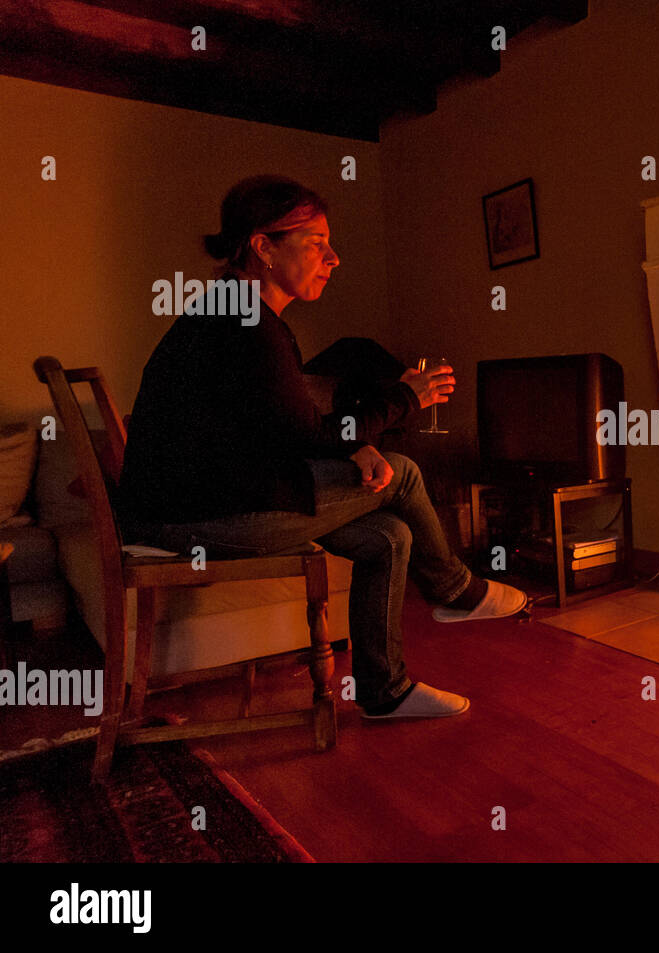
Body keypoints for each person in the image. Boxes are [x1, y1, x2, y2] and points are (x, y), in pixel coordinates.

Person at [118, 175, 525, 719]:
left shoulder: (234, 312)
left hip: (201, 504)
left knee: (389, 536)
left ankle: (385, 692)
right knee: (402, 473)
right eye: (315, 242)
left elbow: (281, 428)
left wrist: (355, 448)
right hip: (196, 518)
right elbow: (306, 433)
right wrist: (406, 398)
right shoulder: (244, 323)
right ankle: (454, 590)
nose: (333, 258)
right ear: (263, 245)